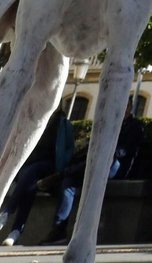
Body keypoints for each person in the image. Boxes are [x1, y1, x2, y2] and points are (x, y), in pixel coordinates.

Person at [44, 98, 144, 244]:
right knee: (68, 183)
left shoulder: (135, 126)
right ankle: (58, 230)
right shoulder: (107, 125)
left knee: (104, 161)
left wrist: (107, 152)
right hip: (96, 164)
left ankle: (61, 174)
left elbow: (128, 150)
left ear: (128, 109)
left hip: (116, 165)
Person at [0, 105, 74, 245]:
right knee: (29, 186)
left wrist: (62, 166)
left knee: (32, 172)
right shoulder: (36, 120)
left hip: (51, 165)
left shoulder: (63, 124)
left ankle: (7, 212)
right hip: (30, 165)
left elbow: (69, 148)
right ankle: (15, 232)